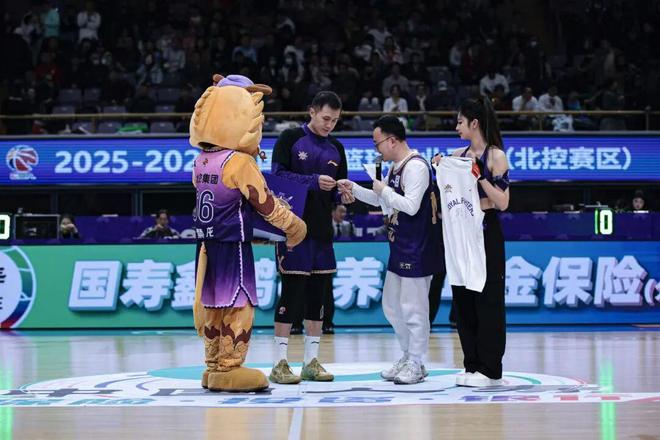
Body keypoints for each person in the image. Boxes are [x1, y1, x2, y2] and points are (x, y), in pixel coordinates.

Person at [189, 74, 306, 392]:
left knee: (213, 304)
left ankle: (213, 366)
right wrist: (293, 226)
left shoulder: (201, 161)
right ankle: (230, 367)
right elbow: (265, 203)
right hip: (231, 245)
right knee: (239, 303)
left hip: (206, 245)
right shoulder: (239, 162)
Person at [338, 115, 443, 384]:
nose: (376, 150)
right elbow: (382, 200)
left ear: (392, 140)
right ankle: (408, 356)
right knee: (392, 306)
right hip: (400, 246)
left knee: (414, 309)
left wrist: (383, 189)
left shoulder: (416, 167)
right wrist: (355, 188)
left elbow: (411, 206)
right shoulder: (396, 167)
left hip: (418, 248)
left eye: (377, 144)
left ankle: (417, 362)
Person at [269, 91, 349, 384]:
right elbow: (276, 178)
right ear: (312, 111)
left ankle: (311, 362)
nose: (330, 124)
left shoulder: (337, 147)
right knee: (292, 293)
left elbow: (338, 190)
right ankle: (279, 363)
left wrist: (344, 195)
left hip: (322, 231)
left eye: (335, 120)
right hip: (292, 230)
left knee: (318, 297)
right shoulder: (290, 139)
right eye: (326, 118)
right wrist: (312, 181)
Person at [433, 97, 510, 387]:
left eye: (460, 122)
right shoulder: (457, 154)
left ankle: (491, 370)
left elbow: (502, 201)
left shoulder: (496, 156)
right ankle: (472, 365)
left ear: (474, 123)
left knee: (487, 299)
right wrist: (439, 166)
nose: (456, 127)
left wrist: (480, 177)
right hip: (460, 231)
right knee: (463, 297)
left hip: (486, 232)